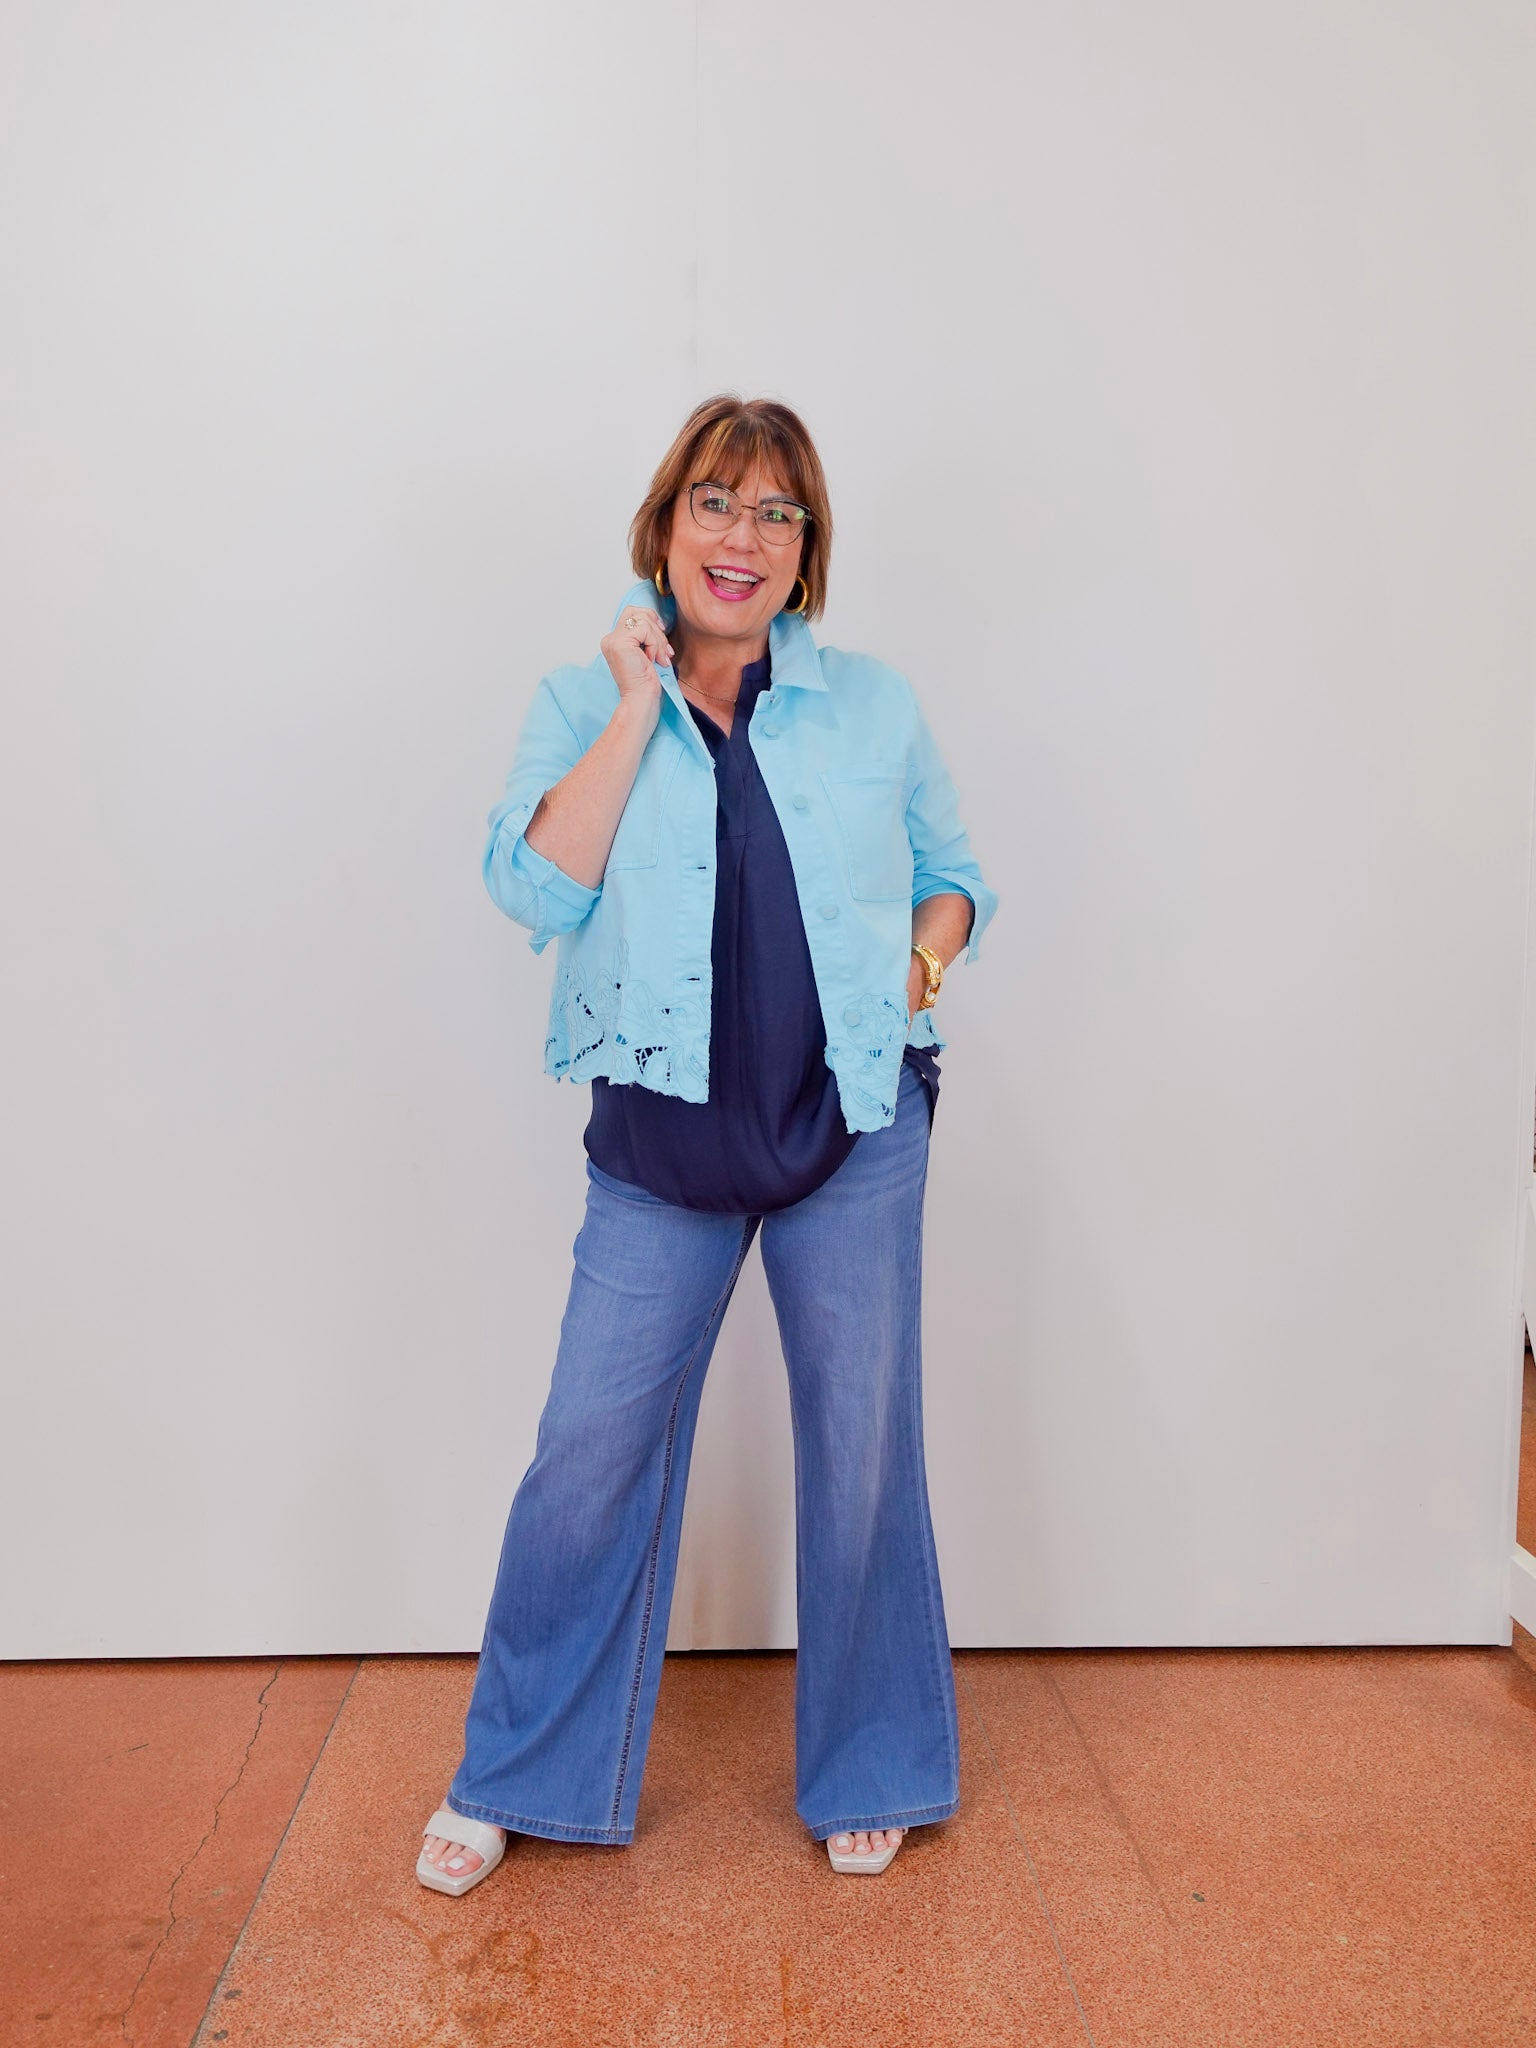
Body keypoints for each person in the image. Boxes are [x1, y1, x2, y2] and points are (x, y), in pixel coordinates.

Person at [417, 394, 999, 1894]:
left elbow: (955, 877)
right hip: (660, 1148)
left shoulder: (873, 704)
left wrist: (917, 976)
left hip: (849, 1132)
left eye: (775, 515)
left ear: (806, 553)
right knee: (585, 1458)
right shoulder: (581, 698)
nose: (741, 538)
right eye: (715, 504)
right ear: (665, 524)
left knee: (864, 1453)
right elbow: (535, 896)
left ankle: (871, 1761)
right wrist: (633, 705)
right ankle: (519, 1769)